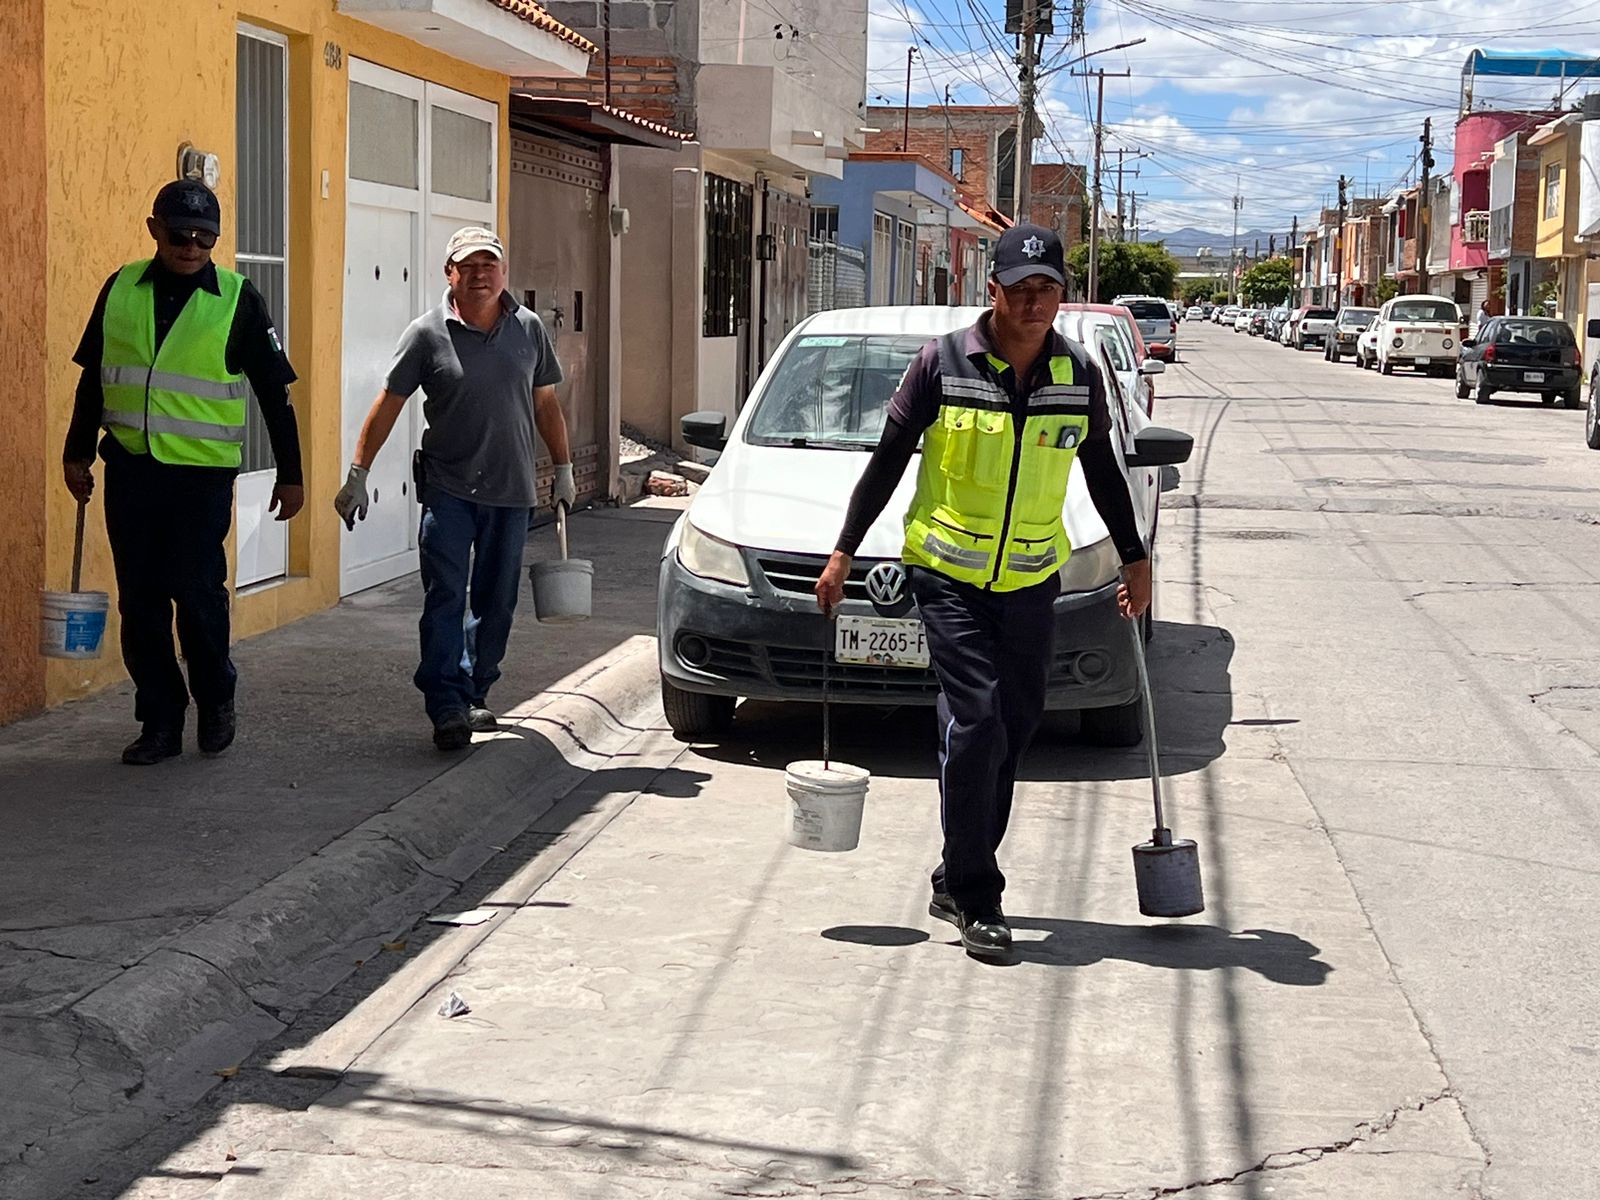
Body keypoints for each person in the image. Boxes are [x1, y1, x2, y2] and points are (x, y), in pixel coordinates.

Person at [814, 223, 1151, 962]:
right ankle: (977, 892)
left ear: (1062, 297)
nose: (1034, 303)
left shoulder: (1077, 374)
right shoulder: (941, 363)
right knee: (977, 722)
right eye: (1020, 288)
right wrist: (843, 551)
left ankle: (952, 868)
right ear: (991, 290)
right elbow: (887, 462)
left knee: (1016, 725)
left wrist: (1134, 559)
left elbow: (1101, 471)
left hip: (1032, 580)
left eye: (1048, 289)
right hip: (947, 577)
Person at [63, 179, 303, 766]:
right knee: (141, 603)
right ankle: (160, 721)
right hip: (131, 471)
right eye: (179, 233)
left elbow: (275, 394)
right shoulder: (119, 289)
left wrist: (291, 474)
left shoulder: (238, 299)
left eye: (205, 237)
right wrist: (76, 451)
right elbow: (94, 378)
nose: (192, 246)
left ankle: (216, 698)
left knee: (197, 599)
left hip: (199, 480)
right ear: (154, 230)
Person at [334, 227, 575, 751]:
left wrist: (563, 468)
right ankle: (446, 704)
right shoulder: (426, 334)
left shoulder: (529, 328)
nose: (480, 274)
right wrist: (358, 473)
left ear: (503, 273)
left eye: (489, 264)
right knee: (445, 595)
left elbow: (546, 404)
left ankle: (475, 690)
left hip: (511, 491)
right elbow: (389, 403)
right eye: (468, 266)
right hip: (448, 489)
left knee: (497, 602)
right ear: (450, 274)